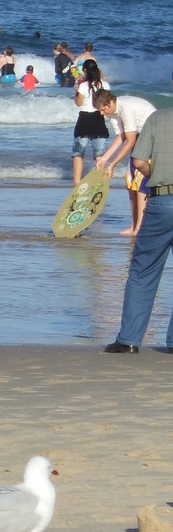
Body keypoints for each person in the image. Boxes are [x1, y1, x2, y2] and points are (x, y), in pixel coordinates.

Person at [104, 108, 173, 354]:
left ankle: (129, 339)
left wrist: (156, 174)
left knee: (144, 269)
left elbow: (139, 161)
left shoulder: (157, 118)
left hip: (162, 199)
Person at [93, 89, 156, 236]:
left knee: (140, 182)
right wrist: (104, 158)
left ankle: (139, 228)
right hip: (140, 137)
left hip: (152, 136)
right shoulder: (112, 112)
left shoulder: (125, 108)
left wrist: (113, 164)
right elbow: (120, 137)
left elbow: (130, 140)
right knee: (130, 180)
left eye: (103, 109)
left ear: (111, 102)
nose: (102, 113)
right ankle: (134, 225)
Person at [72, 60, 109, 184]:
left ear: (86, 71)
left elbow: (78, 103)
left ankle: (77, 182)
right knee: (99, 154)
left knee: (78, 154)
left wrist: (76, 93)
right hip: (99, 120)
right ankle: (99, 181)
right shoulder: (105, 85)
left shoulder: (83, 86)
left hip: (84, 121)